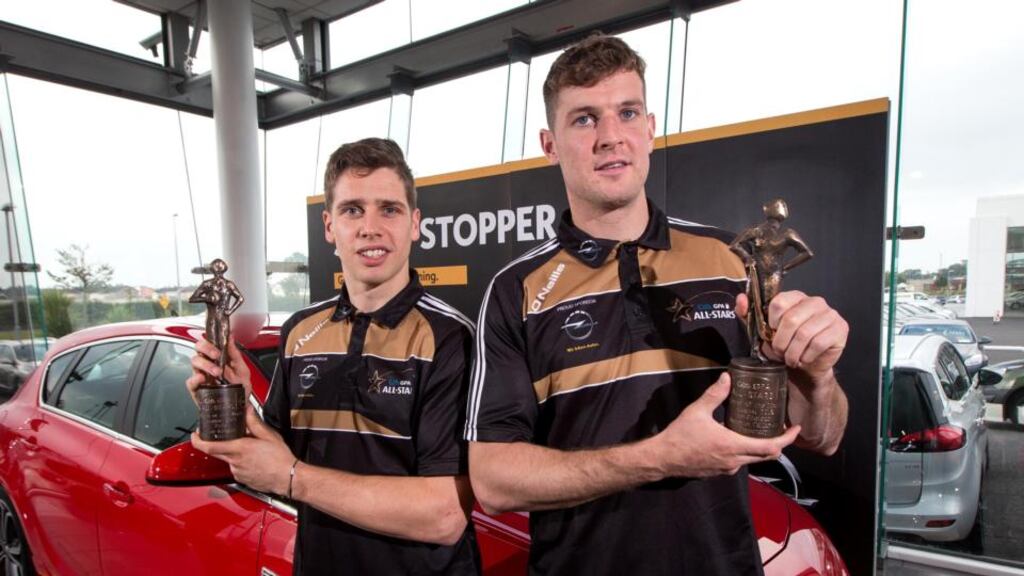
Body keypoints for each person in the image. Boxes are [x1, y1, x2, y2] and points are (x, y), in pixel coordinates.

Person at [465, 35, 849, 575]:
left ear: (649, 128)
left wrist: (819, 376)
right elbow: (493, 480)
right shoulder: (515, 290)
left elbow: (820, 436)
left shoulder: (730, 259)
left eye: (627, 112)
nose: (610, 137)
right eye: (584, 119)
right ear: (550, 145)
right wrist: (658, 458)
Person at [188, 138, 480, 575]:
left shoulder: (451, 338)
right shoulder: (300, 333)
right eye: (352, 210)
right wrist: (232, 399)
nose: (370, 227)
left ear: (415, 223)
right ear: (329, 226)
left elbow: (443, 517)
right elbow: (268, 466)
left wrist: (293, 477)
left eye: (390, 209)